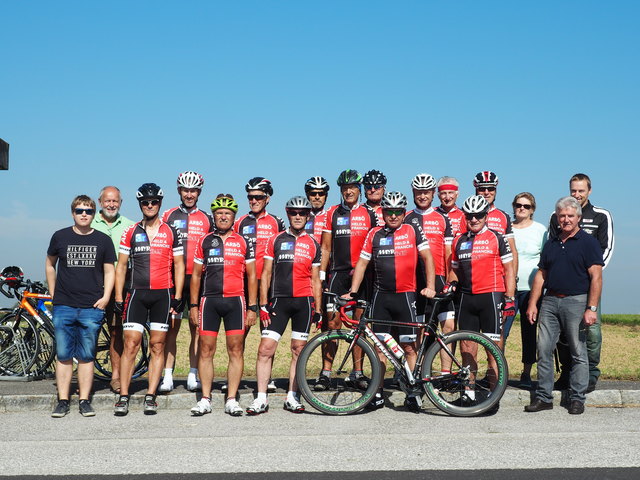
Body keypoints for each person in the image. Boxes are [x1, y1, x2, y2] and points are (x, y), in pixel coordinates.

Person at [347, 192, 436, 411]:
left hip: (406, 297)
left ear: (404, 213)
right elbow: (361, 263)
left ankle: (414, 393)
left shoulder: (413, 230)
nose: (393, 216)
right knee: (380, 349)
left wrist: (431, 286)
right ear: (383, 212)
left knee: (409, 348)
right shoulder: (374, 233)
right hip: (381, 298)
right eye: (389, 211)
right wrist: (353, 291)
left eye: (398, 212)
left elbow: (428, 257)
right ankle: (376, 393)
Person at [525, 196, 603, 415]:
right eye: (562, 216)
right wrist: (533, 303)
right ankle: (543, 398)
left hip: (577, 301)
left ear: (578, 217)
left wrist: (592, 308)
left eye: (570, 216)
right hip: (550, 301)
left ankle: (577, 398)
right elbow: (541, 275)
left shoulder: (589, 243)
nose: (566, 220)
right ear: (557, 218)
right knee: (544, 349)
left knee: (578, 351)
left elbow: (596, 277)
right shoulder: (552, 243)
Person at [113, 183, 185, 416]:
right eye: (146, 202)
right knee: (131, 344)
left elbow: (179, 265)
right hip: (136, 293)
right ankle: (124, 395)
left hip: (163, 294)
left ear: (160, 203)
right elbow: (121, 266)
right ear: (140, 205)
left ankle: (151, 395)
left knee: (157, 345)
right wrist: (118, 295)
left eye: (154, 202)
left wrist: (179, 296)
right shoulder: (131, 231)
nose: (150, 205)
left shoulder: (171, 231)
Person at [248, 196, 323, 415]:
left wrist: (318, 309)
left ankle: (293, 396)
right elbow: (266, 273)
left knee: (298, 350)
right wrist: (263, 304)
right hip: (278, 301)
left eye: (302, 213)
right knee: (265, 349)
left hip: (304, 302)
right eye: (293, 212)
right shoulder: (276, 240)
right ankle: (261, 398)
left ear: (308, 216)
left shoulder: (313, 244)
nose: (298, 216)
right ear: (288, 214)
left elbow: (316, 279)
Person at [46, 195, 116, 417]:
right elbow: (50, 264)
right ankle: (63, 401)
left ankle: (85, 400)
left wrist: (106, 297)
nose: (84, 214)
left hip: (91, 307)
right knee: (64, 355)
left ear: (94, 214)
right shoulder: (60, 236)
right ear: (72, 213)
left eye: (88, 211)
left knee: (87, 356)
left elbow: (110, 270)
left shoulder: (103, 240)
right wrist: (53, 291)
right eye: (79, 211)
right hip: (64, 305)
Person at [189, 194, 257, 417]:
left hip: (235, 301)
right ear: (214, 216)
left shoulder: (243, 241)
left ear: (234, 217)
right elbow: (196, 276)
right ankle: (205, 399)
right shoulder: (205, 240)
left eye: (227, 213)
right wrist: (193, 305)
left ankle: (231, 399)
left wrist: (252, 308)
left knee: (235, 350)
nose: (223, 217)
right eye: (219, 213)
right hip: (209, 301)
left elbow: (252, 276)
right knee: (206, 350)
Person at [448, 195, 516, 407]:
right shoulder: (460, 240)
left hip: (491, 296)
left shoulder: (497, 237)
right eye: (470, 216)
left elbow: (509, 269)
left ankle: (493, 396)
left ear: (486, 216)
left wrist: (510, 298)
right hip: (467, 298)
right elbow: (454, 270)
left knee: (493, 349)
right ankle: (468, 393)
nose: (474, 219)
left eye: (478, 215)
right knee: (467, 348)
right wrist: (450, 284)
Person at [548, 173, 614, 392]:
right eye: (573, 191)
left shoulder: (601, 216)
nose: (576, 195)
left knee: (592, 331)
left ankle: (591, 373)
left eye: (581, 191)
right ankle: (567, 373)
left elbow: (607, 249)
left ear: (589, 191)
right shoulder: (557, 215)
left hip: (589, 285)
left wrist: (589, 276)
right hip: (563, 288)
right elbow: (553, 249)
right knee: (564, 334)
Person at [317, 169, 378, 390]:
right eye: (344, 188)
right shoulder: (332, 213)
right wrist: (322, 277)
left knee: (359, 326)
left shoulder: (370, 213)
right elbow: (325, 247)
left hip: (363, 276)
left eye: (352, 187)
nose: (348, 191)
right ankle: (325, 372)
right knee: (332, 323)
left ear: (359, 190)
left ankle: (358, 372)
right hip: (338, 274)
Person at [160, 171, 213, 393]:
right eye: (185, 190)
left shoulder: (207, 218)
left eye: (193, 190)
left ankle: (193, 374)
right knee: (171, 329)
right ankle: (167, 376)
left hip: (199, 279)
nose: (189, 194)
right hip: (174, 278)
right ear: (179, 191)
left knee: (197, 329)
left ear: (199, 192)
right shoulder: (169, 215)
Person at [234, 177, 285, 393]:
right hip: (245, 282)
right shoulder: (240, 222)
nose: (253, 200)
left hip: (269, 282)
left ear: (267, 198)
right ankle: (234, 375)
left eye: (258, 197)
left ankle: (268, 377)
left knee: (267, 331)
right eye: (250, 197)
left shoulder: (276, 221)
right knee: (239, 332)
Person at [91, 186, 135, 393]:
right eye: (107, 201)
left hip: (120, 287)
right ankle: (86, 376)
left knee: (117, 332)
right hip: (92, 285)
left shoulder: (129, 226)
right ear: (100, 202)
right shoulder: (89, 222)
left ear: (121, 202)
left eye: (115, 201)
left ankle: (116, 377)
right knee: (88, 332)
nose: (111, 205)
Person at [405, 173, 454, 336]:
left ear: (433, 193)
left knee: (448, 327)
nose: (422, 196)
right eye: (419, 192)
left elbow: (448, 252)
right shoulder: (406, 218)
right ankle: (422, 362)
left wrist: (450, 279)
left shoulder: (443, 217)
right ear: (413, 193)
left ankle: (447, 363)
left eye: (426, 192)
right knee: (419, 329)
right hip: (415, 279)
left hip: (439, 276)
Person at [509, 192, 547, 388]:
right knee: (500, 332)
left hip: (530, 290)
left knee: (529, 331)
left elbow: (546, 261)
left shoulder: (541, 230)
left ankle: (526, 372)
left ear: (533, 209)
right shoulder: (507, 228)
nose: (521, 208)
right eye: (518, 205)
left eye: (526, 206)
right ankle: (497, 371)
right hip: (507, 288)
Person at [473, 171, 518, 278]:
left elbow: (512, 251)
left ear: (496, 191)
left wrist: (513, 278)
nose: (487, 192)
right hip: (474, 273)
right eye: (482, 189)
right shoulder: (467, 215)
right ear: (476, 190)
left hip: (498, 275)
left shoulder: (503, 216)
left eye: (491, 189)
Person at [303, 176, 330, 244]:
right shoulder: (300, 217)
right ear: (307, 195)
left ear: (326, 196)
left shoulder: (330, 217)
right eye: (313, 194)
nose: (317, 197)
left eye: (321, 194)